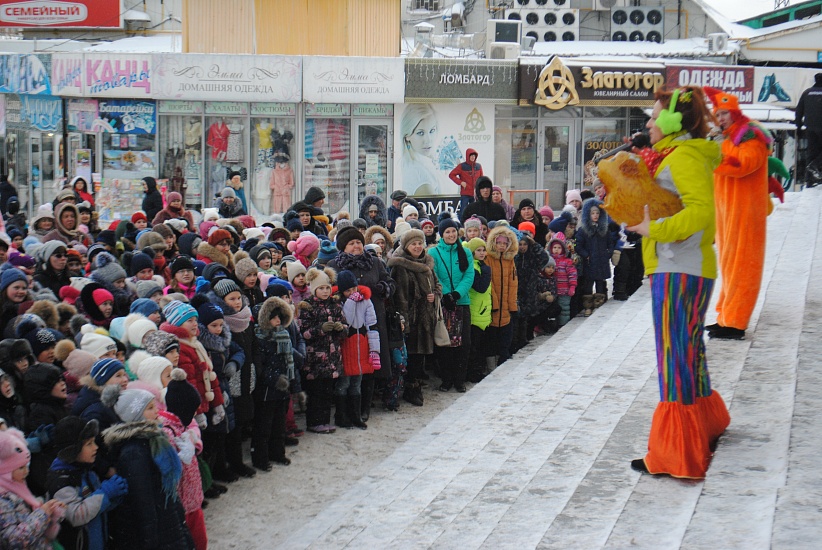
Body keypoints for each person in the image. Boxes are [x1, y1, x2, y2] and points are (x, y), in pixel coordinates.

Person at [626, 86, 730, 479]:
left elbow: (703, 213)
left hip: (679, 269)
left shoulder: (683, 156)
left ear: (674, 120)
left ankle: (678, 454)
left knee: (673, 358)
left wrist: (656, 228)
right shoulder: (676, 154)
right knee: (688, 352)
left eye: (654, 116)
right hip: (683, 267)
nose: (649, 123)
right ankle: (703, 426)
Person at [704, 86, 773, 340]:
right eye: (717, 114)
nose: (720, 118)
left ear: (734, 112)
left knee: (744, 265)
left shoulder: (750, 135)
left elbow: (742, 165)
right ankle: (726, 317)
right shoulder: (727, 136)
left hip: (744, 211)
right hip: (727, 211)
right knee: (728, 264)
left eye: (724, 113)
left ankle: (736, 322)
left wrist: (718, 150)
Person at [328, 226, 395, 422]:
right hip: (347, 324)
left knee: (370, 364)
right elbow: (328, 289)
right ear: (343, 247)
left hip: (372, 321)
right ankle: (346, 411)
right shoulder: (334, 264)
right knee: (349, 366)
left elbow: (390, 283)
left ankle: (363, 408)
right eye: (351, 243)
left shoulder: (375, 262)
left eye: (358, 242)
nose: (356, 246)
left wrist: (381, 288)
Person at [48, 416, 129, 550]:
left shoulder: (86, 471)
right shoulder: (61, 481)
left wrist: (114, 498)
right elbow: (75, 515)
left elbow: (94, 506)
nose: (96, 447)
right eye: (89, 444)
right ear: (73, 450)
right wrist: (105, 493)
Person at [387, 229, 440, 407]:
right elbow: (397, 297)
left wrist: (435, 294)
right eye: (413, 244)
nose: (417, 247)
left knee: (420, 356)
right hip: (409, 319)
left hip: (426, 317)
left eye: (419, 243)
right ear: (406, 246)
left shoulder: (427, 263)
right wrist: (403, 319)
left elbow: (437, 284)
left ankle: (415, 385)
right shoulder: (399, 265)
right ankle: (409, 388)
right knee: (409, 356)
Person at [297, 267, 347, 434]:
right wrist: (320, 329)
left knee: (327, 391)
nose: (325, 291)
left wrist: (341, 328)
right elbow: (304, 332)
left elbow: (346, 328)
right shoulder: (307, 306)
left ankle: (325, 421)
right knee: (316, 392)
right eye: (321, 288)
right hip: (315, 359)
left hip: (332, 357)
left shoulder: (335, 304)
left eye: (327, 287)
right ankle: (314, 421)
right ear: (314, 289)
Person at [0, 428, 65, 549]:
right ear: (5, 470)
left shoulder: (17, 487)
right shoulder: (3, 500)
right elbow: (15, 541)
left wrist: (51, 512)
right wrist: (42, 514)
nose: (27, 471)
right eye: (21, 468)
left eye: (27, 466)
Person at [430, 218, 474, 393]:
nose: (451, 234)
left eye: (453, 231)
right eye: (447, 232)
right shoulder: (434, 253)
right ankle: (446, 379)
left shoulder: (466, 252)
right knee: (445, 343)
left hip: (462, 302)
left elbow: (469, 275)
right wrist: (446, 294)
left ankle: (459, 379)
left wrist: (457, 294)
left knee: (464, 343)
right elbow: (434, 276)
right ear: (442, 234)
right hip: (444, 304)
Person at [334, 270, 380, 430]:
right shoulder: (339, 302)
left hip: (362, 345)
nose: (352, 293)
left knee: (357, 383)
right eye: (348, 291)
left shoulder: (366, 301)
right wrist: (351, 302)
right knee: (344, 382)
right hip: (347, 346)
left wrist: (375, 350)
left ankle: (356, 415)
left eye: (354, 288)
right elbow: (348, 320)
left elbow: (372, 325)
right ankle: (342, 415)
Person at [575, 197, 616, 316]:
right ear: (588, 214)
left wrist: (608, 253)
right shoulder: (583, 230)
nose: (595, 215)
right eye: (593, 213)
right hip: (590, 261)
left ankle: (599, 303)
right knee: (588, 283)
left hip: (601, 260)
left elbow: (610, 243)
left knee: (600, 282)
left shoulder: (604, 229)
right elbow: (578, 245)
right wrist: (586, 255)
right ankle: (588, 305)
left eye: (597, 213)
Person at [485, 224, 518, 367]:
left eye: (505, 243)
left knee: (505, 338)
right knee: (490, 339)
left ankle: (502, 363)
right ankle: (491, 366)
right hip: (492, 307)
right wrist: (494, 303)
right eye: (499, 242)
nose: (502, 246)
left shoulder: (510, 261)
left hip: (505, 307)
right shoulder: (488, 259)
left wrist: (512, 306)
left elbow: (513, 284)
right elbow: (489, 283)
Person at [464, 238, 491, 382]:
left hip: (482, 311)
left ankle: (477, 370)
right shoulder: (474, 268)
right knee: (474, 345)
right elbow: (481, 287)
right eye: (478, 250)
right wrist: (486, 271)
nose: (482, 253)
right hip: (475, 312)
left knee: (479, 345)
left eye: (483, 250)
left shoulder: (481, 265)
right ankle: (472, 373)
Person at [400, 104, 441, 195]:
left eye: (432, 131)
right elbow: (434, 208)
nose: (428, 140)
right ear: (407, 136)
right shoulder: (421, 177)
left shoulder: (415, 162)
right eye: (420, 133)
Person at [795, 72, 822, 187]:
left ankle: (809, 180)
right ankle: (815, 165)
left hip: (810, 128)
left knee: (811, 152)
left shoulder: (806, 93)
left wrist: (798, 126)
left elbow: (799, 110)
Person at [449, 148, 483, 213]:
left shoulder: (478, 166)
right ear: (468, 156)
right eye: (471, 155)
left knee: (475, 211)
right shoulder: (462, 166)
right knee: (463, 211)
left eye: (474, 156)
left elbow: (481, 178)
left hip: (475, 193)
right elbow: (451, 175)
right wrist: (460, 182)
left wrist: (480, 189)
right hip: (465, 193)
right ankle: (462, 222)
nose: (473, 157)